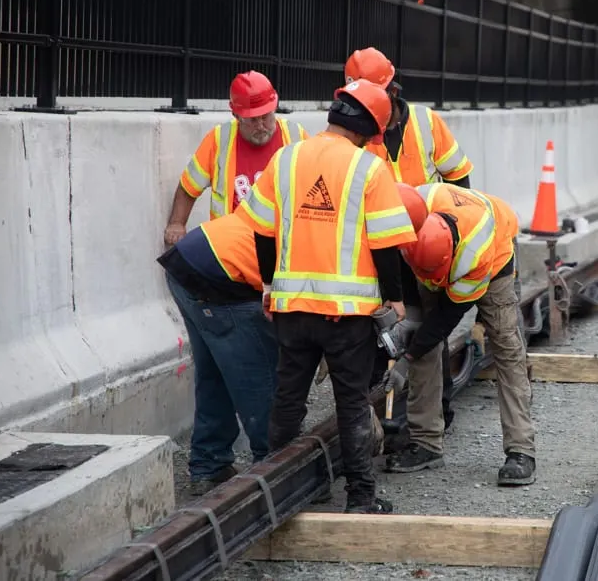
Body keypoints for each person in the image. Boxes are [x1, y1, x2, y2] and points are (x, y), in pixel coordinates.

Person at [236, 79, 417, 514]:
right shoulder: (369, 169)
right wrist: (394, 299)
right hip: (346, 316)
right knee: (351, 403)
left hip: (291, 309)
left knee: (288, 399)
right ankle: (360, 498)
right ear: (369, 129)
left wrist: (268, 285)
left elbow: (262, 230)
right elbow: (386, 243)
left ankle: (274, 493)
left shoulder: (285, 157)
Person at [344, 46, 475, 432]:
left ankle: (437, 415)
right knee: (382, 333)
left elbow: (460, 182)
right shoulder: (357, 134)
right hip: (382, 250)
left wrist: (450, 237)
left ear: (393, 91)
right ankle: (380, 420)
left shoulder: (426, 122)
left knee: (430, 332)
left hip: (427, 245)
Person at [381, 182, 537, 486]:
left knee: (507, 348)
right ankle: (426, 443)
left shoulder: (474, 256)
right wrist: (408, 322)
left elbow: (446, 319)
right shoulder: (411, 218)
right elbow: (404, 284)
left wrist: (406, 360)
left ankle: (521, 450)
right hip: (431, 256)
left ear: (448, 261)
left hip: (496, 257)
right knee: (421, 340)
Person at [156, 212, 279, 496]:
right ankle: (274, 467)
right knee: (259, 376)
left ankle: (209, 464)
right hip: (219, 273)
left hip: (188, 260)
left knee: (215, 371)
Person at [164, 70, 309, 246]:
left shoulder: (296, 136)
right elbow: (189, 186)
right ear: (236, 116)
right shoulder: (219, 140)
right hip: (231, 245)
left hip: (282, 243)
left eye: (266, 117)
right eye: (253, 120)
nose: (261, 126)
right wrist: (177, 224)